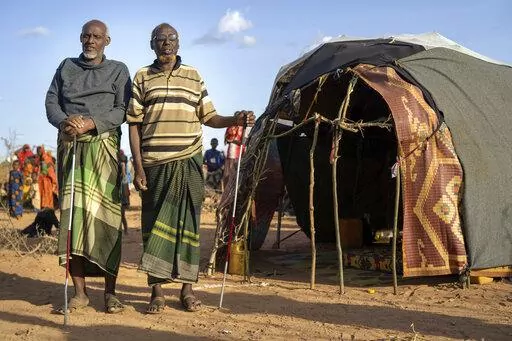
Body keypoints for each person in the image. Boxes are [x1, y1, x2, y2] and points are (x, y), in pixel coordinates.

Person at [127, 23, 255, 314]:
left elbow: (208, 116)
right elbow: (133, 124)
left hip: (189, 162)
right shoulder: (142, 76)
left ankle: (187, 290)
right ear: (152, 44)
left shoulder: (194, 75)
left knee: (189, 227)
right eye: (160, 39)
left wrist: (235, 118)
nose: (166, 43)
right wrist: (138, 166)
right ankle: (156, 292)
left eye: (172, 39)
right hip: (155, 164)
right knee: (154, 227)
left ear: (179, 43)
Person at [45, 19, 131, 314]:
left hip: (102, 149)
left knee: (106, 222)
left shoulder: (119, 70)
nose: (90, 41)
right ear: (80, 38)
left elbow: (122, 109)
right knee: (73, 222)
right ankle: (80, 293)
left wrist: (92, 123)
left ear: (107, 40)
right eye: (85, 36)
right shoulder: (66, 66)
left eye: (96, 37)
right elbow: (52, 102)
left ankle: (111, 293)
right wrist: (65, 122)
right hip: (70, 148)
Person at [118, 150, 130, 234]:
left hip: (122, 198)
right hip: (122, 198)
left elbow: (126, 191)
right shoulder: (124, 178)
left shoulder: (124, 177)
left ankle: (125, 230)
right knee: (122, 215)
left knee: (122, 215)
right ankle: (125, 230)